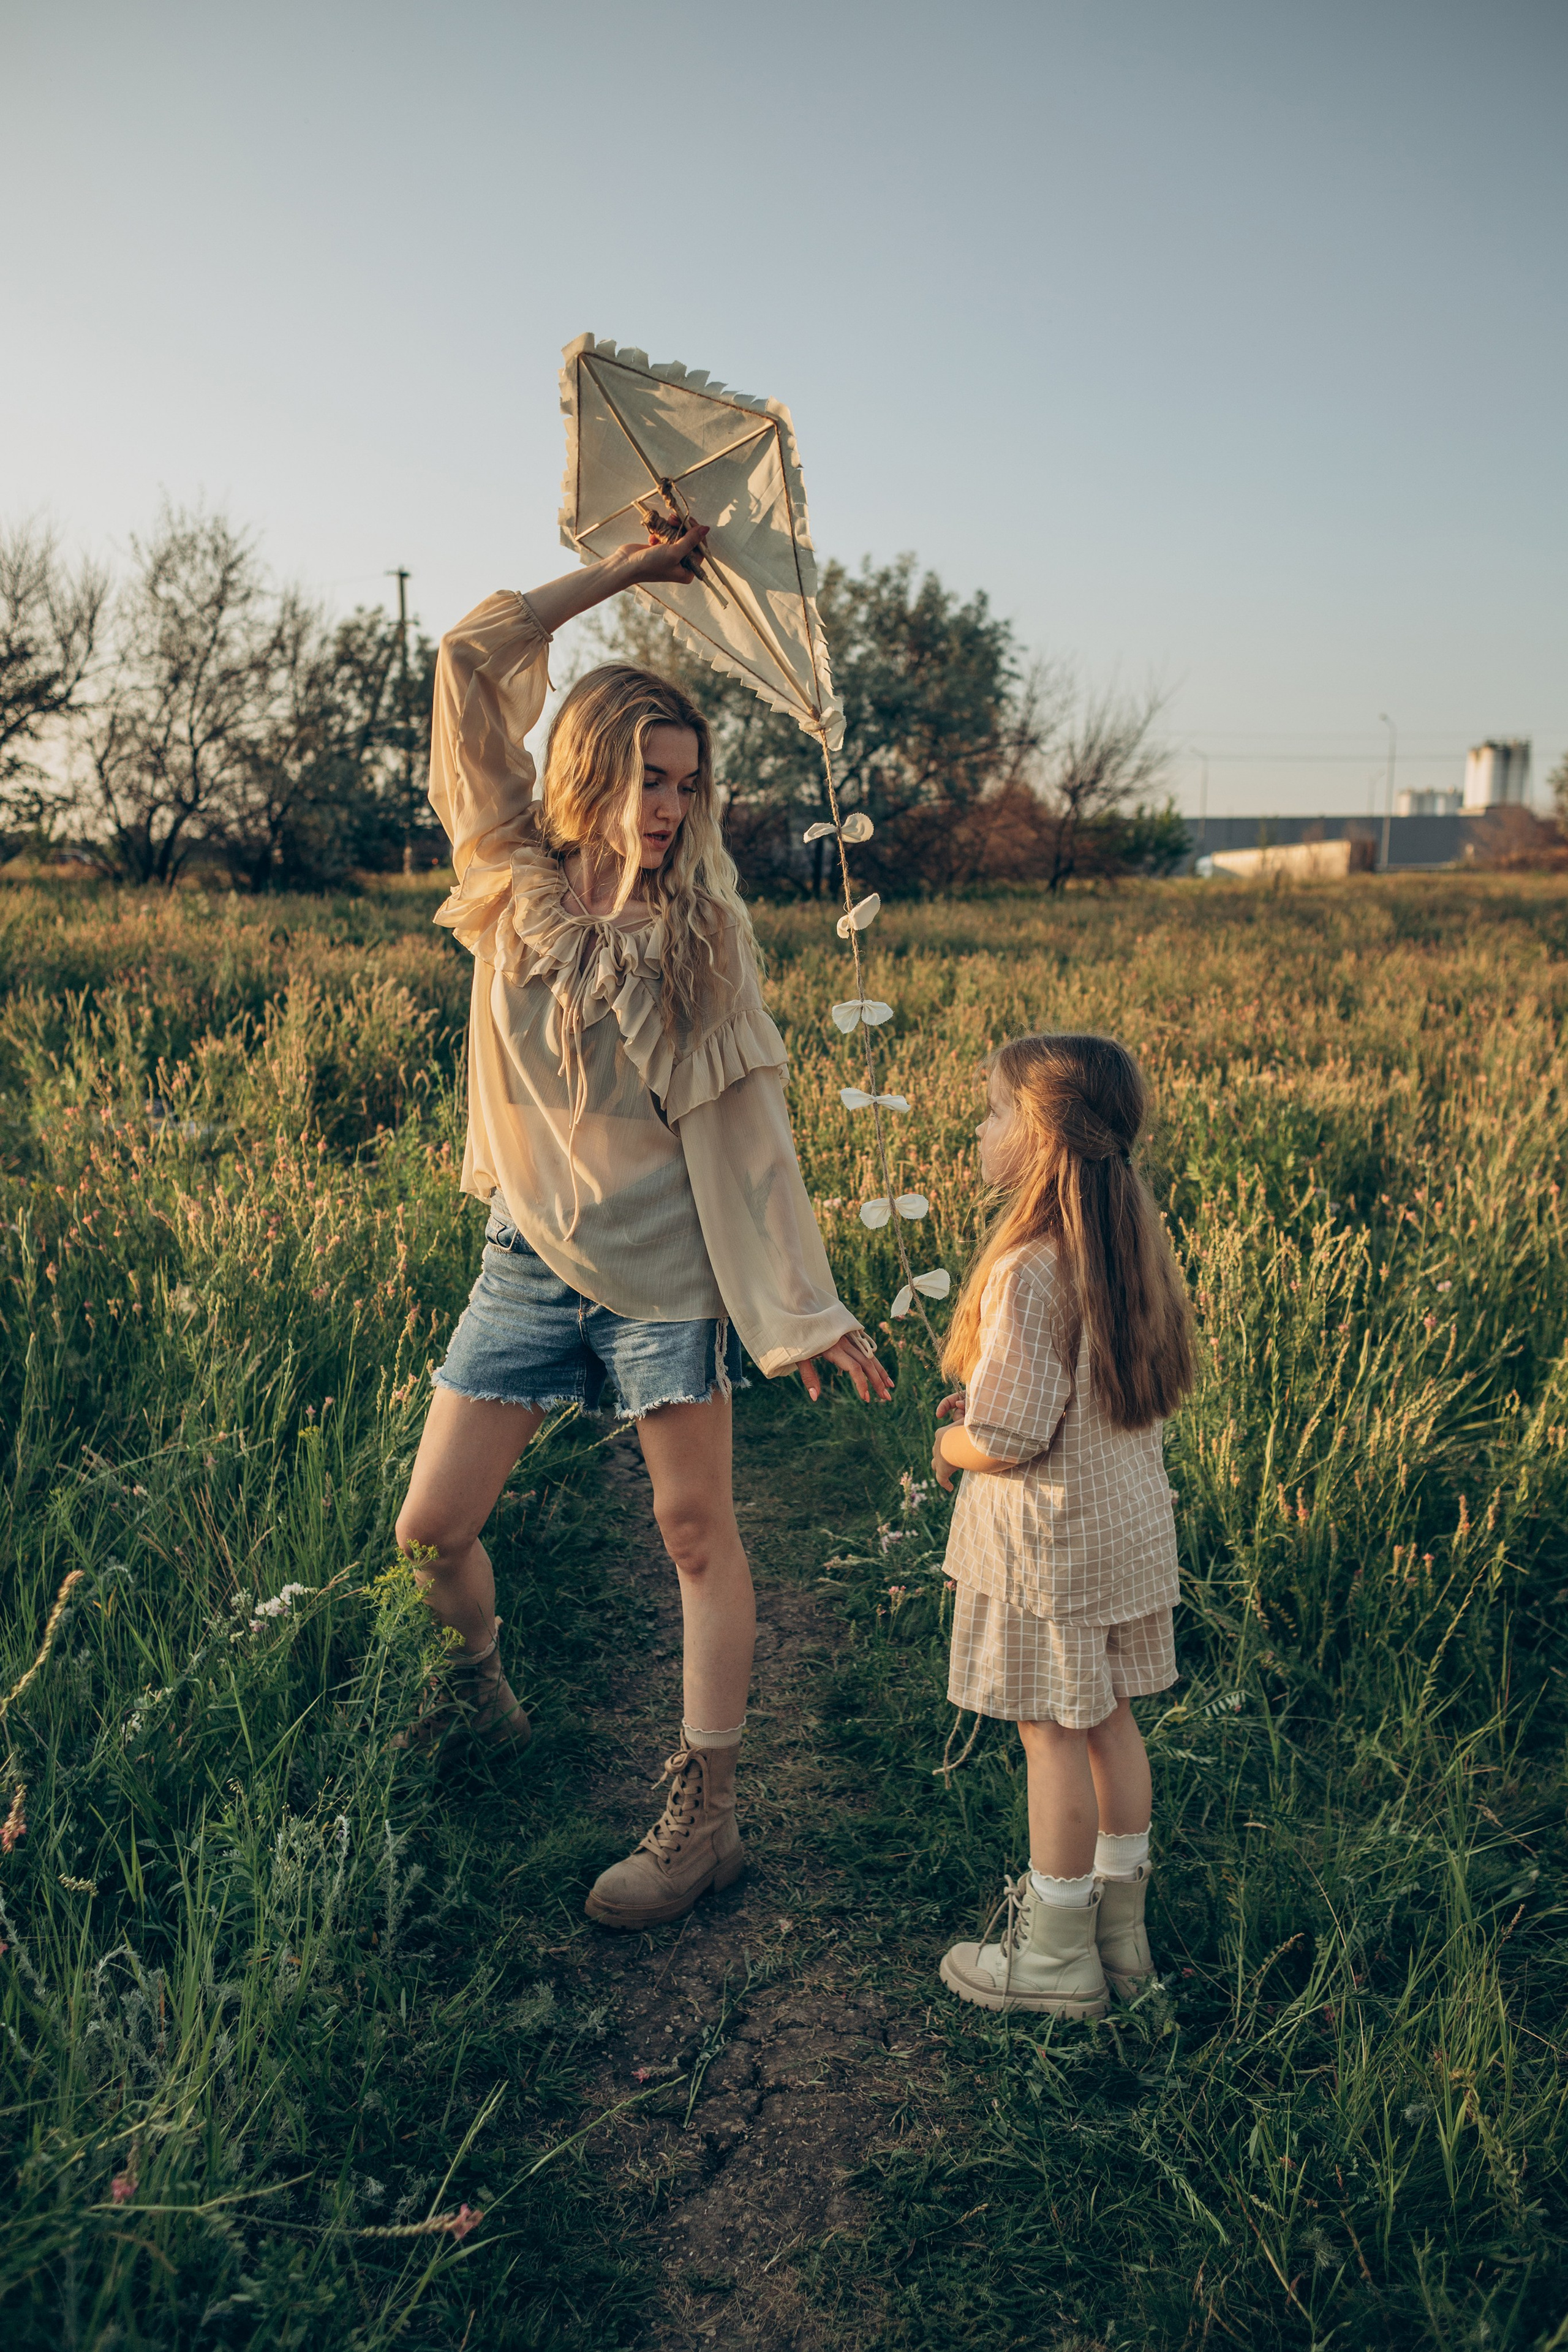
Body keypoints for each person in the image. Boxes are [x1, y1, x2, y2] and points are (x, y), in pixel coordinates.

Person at [395, 515, 892, 1932]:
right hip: (523, 1261)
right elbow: (473, 657)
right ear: (593, 767)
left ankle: (704, 1817)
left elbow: (746, 1139)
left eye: (688, 783)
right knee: (431, 1532)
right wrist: (626, 572)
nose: (671, 804)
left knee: (693, 1532)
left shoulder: (702, 938)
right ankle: (477, 1686)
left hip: (664, 1275)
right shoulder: (506, 879)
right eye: (650, 774)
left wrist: (799, 1308)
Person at [930, 1032, 1196, 2016]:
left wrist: (949, 1447)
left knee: (1050, 1737)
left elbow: (1003, 1435)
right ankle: (1120, 1939)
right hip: (1122, 1539)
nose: (983, 1127)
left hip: (1048, 1554)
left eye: (996, 1111)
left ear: (1041, 1135)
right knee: (1110, 1724)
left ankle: (1051, 1955)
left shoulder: (1029, 1267)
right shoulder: (1130, 1247)